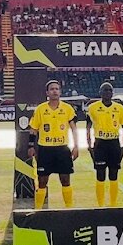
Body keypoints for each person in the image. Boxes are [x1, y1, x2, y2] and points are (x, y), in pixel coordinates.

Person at [29, 80, 78, 210]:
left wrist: (76, 146)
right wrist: (31, 146)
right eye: (52, 89)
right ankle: (38, 210)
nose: (55, 91)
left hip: (62, 149)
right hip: (45, 150)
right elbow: (33, 129)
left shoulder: (67, 108)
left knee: (65, 179)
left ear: (60, 91)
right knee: (42, 181)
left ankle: (69, 209)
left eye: (57, 89)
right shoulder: (40, 109)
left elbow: (74, 128)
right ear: (47, 93)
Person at [84, 81, 123, 208]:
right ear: (100, 93)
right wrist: (88, 142)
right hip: (100, 143)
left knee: (114, 174)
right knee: (100, 174)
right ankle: (100, 205)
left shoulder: (119, 108)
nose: (108, 92)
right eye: (105, 90)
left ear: (112, 93)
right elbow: (88, 126)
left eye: (110, 90)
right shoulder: (93, 107)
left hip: (114, 143)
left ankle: (113, 204)